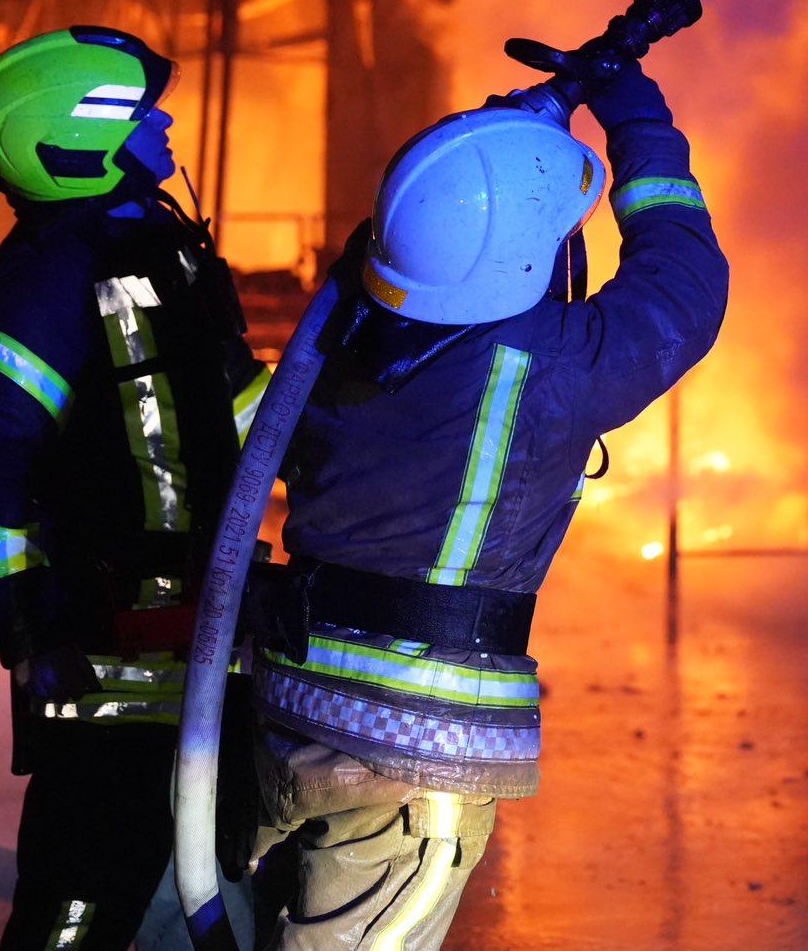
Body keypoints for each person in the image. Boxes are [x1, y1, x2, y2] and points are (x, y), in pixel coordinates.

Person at [243, 53, 727, 949]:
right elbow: (683, 293)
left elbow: (419, 226)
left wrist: (512, 130)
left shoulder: (346, 338)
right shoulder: (545, 363)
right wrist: (637, 116)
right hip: (413, 755)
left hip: (289, 713)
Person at [0, 26, 267, 951]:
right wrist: (28, 624)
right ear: (73, 142)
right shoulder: (47, 278)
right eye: (137, 111)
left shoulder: (166, 252)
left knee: (210, 903)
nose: (163, 123)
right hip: (106, 664)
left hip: (206, 649)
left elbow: (234, 420)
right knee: (77, 912)